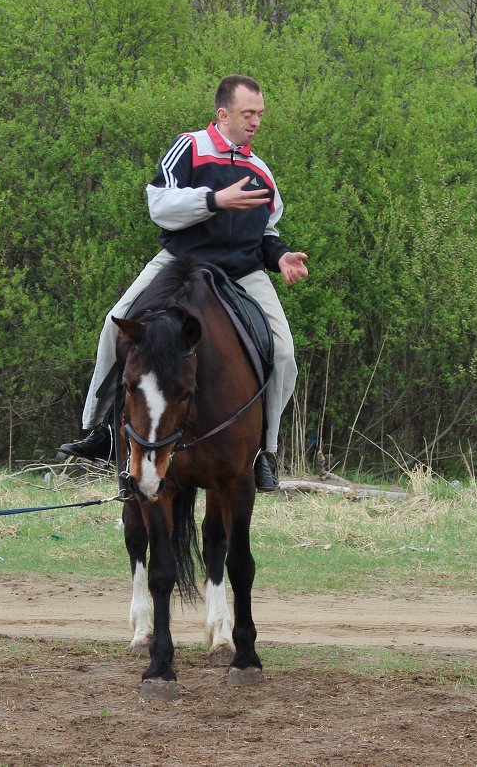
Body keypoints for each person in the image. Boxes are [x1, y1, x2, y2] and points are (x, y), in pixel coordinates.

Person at [58, 74, 309, 491]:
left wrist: (281, 257)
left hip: (243, 272)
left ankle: (266, 451)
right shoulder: (189, 147)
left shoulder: (261, 171)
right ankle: (100, 428)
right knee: (114, 321)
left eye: (260, 115)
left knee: (283, 353)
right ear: (223, 113)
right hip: (180, 261)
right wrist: (214, 200)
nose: (256, 122)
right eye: (248, 114)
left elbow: (266, 232)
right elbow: (160, 204)